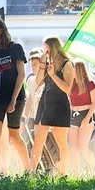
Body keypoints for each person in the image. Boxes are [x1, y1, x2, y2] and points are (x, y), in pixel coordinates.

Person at [0, 19, 29, 176]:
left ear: (1, 30)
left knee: (14, 135)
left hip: (16, 97)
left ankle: (28, 168)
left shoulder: (15, 48)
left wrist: (13, 99)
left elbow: (21, 74)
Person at [29, 36, 74, 176]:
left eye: (46, 49)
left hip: (60, 104)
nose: (45, 52)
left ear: (52, 48)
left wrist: (53, 75)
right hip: (46, 102)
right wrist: (43, 65)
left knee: (61, 141)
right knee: (38, 139)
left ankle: (63, 173)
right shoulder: (48, 63)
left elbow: (67, 88)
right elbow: (38, 82)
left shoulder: (67, 64)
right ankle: (32, 172)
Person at [68, 60, 95, 175]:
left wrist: (87, 118)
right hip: (74, 115)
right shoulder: (71, 84)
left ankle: (93, 168)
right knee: (73, 147)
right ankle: (76, 172)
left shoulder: (90, 84)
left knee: (82, 147)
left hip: (86, 114)